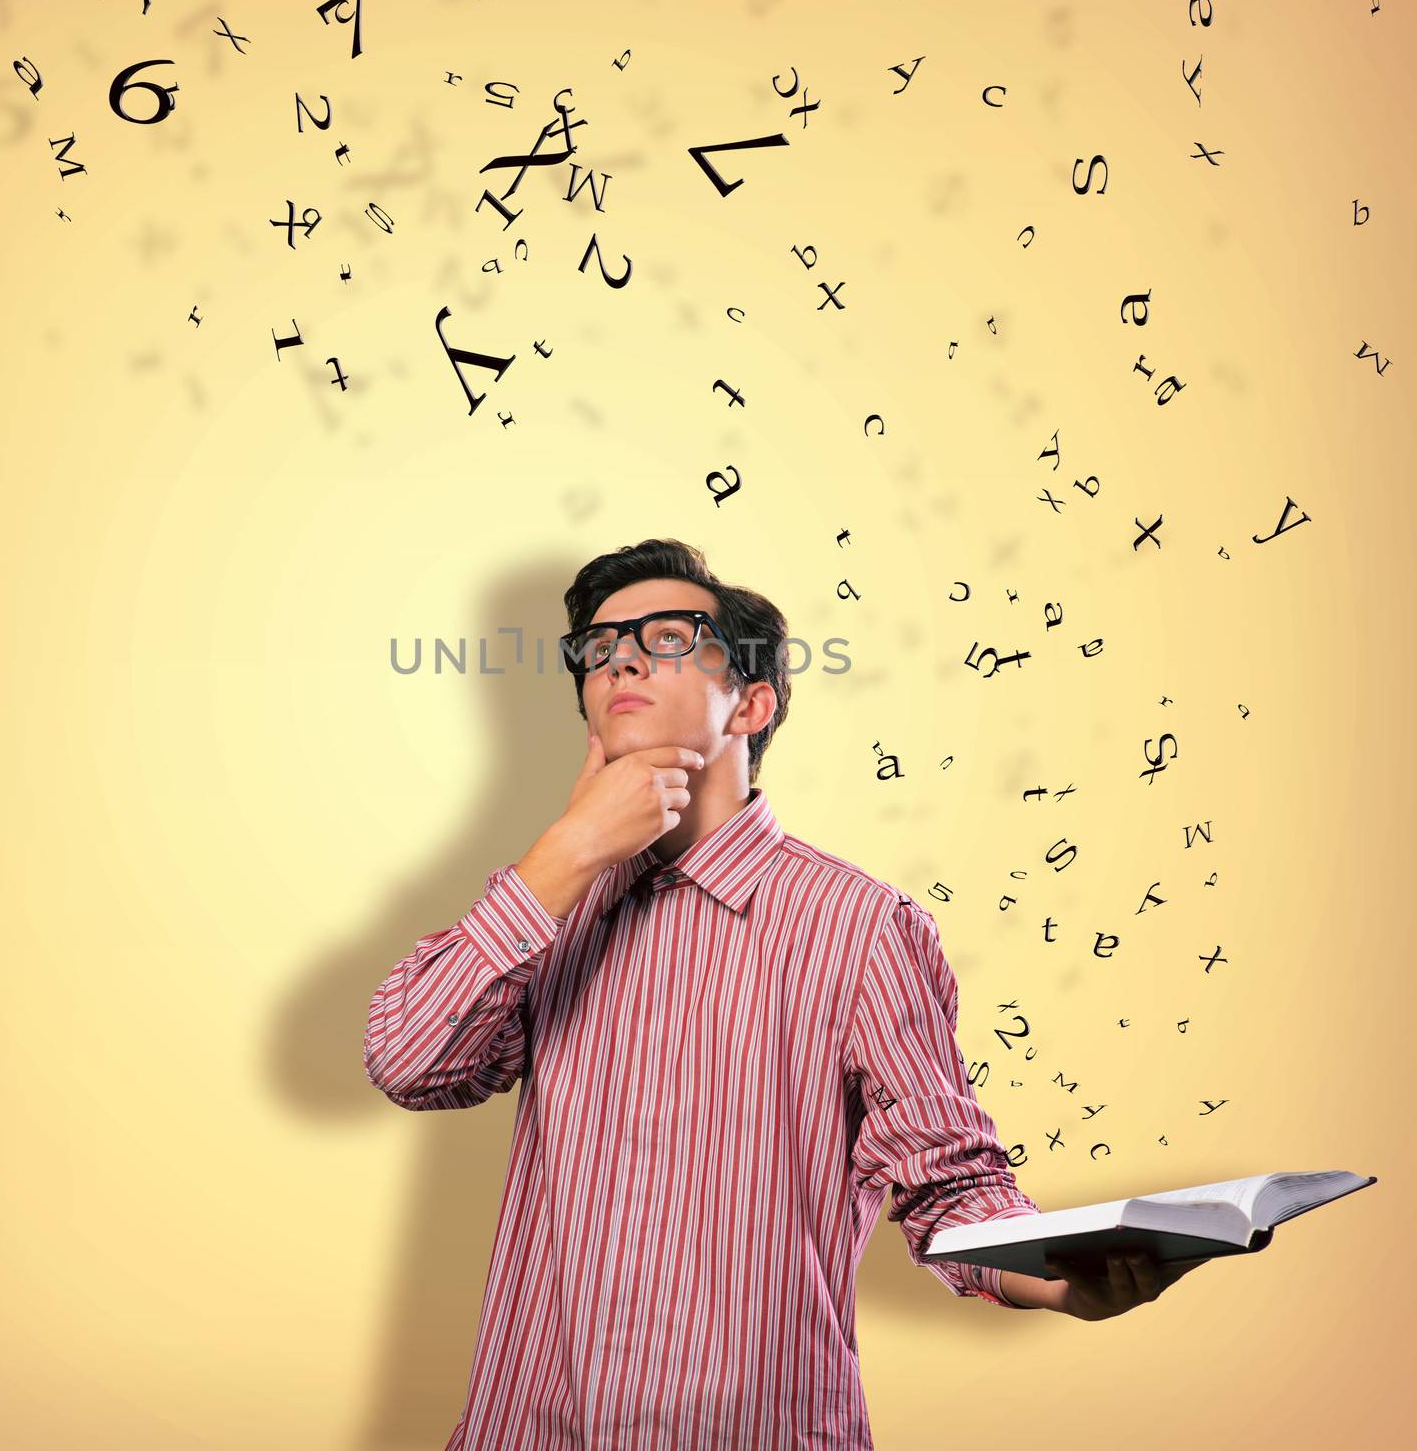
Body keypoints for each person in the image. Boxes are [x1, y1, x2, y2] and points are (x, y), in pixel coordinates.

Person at [365, 538, 1207, 1450]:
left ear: (752, 703)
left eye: (669, 636)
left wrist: (1052, 1277)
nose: (623, 659)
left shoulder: (859, 926)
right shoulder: (547, 900)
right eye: (599, 648)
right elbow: (410, 1062)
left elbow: (947, 1180)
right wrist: (564, 854)